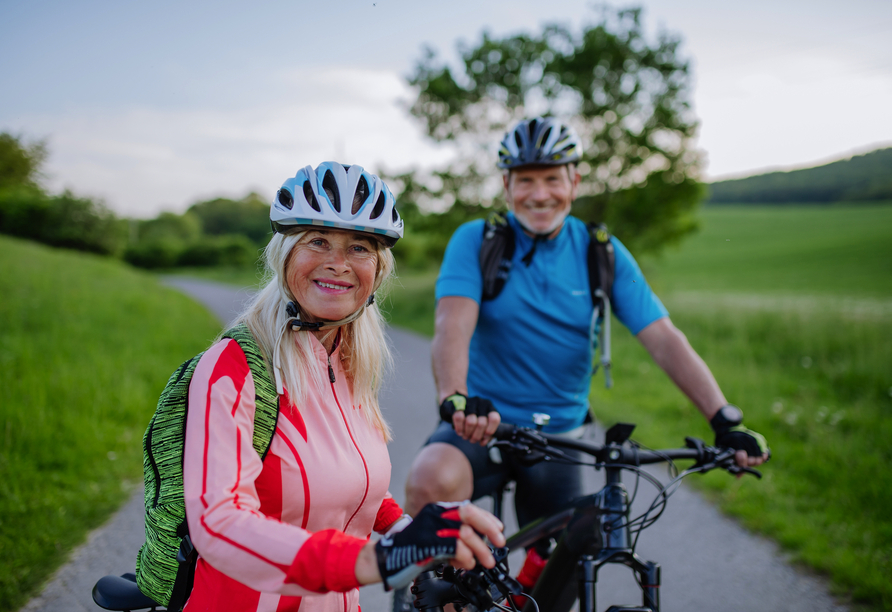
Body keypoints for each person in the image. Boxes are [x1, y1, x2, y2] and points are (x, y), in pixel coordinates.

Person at [402, 117, 769, 596]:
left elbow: (663, 338)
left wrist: (723, 419)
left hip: (561, 436)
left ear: (574, 181)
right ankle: (432, 599)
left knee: (572, 560)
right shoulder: (477, 241)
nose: (539, 194)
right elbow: (452, 324)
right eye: (526, 180)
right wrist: (454, 397)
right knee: (432, 480)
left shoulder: (604, 254)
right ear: (506, 184)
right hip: (483, 424)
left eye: (553, 178)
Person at [181, 162, 504, 612]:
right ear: (286, 254)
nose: (338, 263)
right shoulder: (233, 367)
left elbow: (350, 483)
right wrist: (381, 558)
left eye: (359, 247)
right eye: (318, 241)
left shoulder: (348, 361)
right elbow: (218, 522)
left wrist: (414, 533)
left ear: (378, 269)